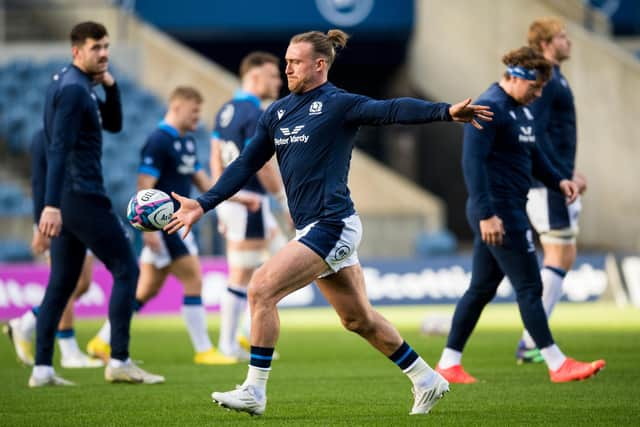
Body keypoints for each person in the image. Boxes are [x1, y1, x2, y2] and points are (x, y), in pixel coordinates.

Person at [165, 29, 493, 416]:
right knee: (358, 320)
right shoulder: (277, 112)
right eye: (285, 60)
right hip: (311, 227)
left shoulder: (338, 104)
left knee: (261, 289)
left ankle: (255, 390)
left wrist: (445, 111)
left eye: (295, 61)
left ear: (319, 65)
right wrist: (203, 204)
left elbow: (391, 110)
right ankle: (426, 378)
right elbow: (245, 164)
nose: (286, 66)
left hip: (332, 223)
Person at [434, 46, 604, 384]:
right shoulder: (489, 108)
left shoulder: (519, 109)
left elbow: (534, 155)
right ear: (514, 77)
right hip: (498, 211)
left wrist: (560, 181)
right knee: (529, 285)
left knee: (481, 288)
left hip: (510, 207)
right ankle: (557, 363)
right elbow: (472, 163)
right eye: (535, 87)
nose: (539, 94)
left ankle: (449, 363)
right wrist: (486, 214)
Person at [33, 21, 163, 386]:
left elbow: (115, 124)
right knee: (127, 270)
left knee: (61, 283)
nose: (104, 53)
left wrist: (112, 85)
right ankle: (119, 359)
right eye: (96, 48)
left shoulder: (72, 83)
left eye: (106, 46)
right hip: (82, 196)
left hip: (69, 197)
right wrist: (50, 206)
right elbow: (56, 147)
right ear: (77, 51)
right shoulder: (75, 91)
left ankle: (42, 369)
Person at [86, 87, 255, 365]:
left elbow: (206, 184)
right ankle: (204, 350)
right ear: (177, 107)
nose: (198, 118)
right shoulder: (158, 140)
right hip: (166, 228)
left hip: (177, 225)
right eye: (194, 111)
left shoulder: (186, 143)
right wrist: (151, 232)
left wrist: (240, 198)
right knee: (194, 280)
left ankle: (101, 341)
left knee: (146, 291)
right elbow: (144, 187)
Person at [516, 17, 587, 363]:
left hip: (553, 180)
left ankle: (532, 338)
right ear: (545, 43)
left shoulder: (555, 78)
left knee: (563, 255)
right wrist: (562, 175)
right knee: (558, 255)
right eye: (561, 36)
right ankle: (532, 342)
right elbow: (536, 132)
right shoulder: (546, 80)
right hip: (547, 184)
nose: (568, 41)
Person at [210, 51, 289, 360]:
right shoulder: (255, 113)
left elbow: (215, 155)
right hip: (250, 203)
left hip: (236, 201)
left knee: (281, 262)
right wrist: (284, 199)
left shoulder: (226, 110)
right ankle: (228, 344)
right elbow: (263, 166)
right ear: (255, 76)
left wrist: (220, 198)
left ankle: (243, 334)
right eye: (273, 75)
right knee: (242, 276)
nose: (279, 81)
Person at [4, 129, 102, 369]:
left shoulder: (82, 134)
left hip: (82, 214)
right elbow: (39, 181)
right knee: (64, 283)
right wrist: (40, 225)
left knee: (83, 284)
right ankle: (69, 352)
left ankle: (27, 321)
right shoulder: (43, 138)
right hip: (58, 220)